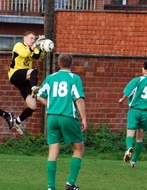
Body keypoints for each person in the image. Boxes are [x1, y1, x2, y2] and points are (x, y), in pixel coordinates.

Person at [37, 54, 87, 190]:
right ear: (71, 64)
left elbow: (39, 96)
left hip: (52, 118)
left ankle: (50, 187)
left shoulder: (50, 78)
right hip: (68, 117)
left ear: (58, 64)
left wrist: (51, 104)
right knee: (78, 149)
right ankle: (70, 183)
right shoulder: (74, 78)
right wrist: (84, 118)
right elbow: (78, 99)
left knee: (53, 151)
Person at [119, 60, 147, 168]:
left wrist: (122, 100)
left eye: (143, 67)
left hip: (134, 110)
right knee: (139, 139)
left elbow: (128, 92)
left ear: (145, 69)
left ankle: (129, 148)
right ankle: (134, 161)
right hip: (146, 113)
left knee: (130, 133)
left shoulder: (138, 80)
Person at [8, 31, 45, 135]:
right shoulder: (19, 46)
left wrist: (42, 47)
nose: (33, 40)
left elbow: (40, 57)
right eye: (31, 38)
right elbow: (24, 54)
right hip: (15, 74)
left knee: (33, 106)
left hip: (25, 78)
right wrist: (34, 46)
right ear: (24, 38)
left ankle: (17, 122)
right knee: (34, 71)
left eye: (34, 39)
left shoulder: (32, 49)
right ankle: (34, 88)